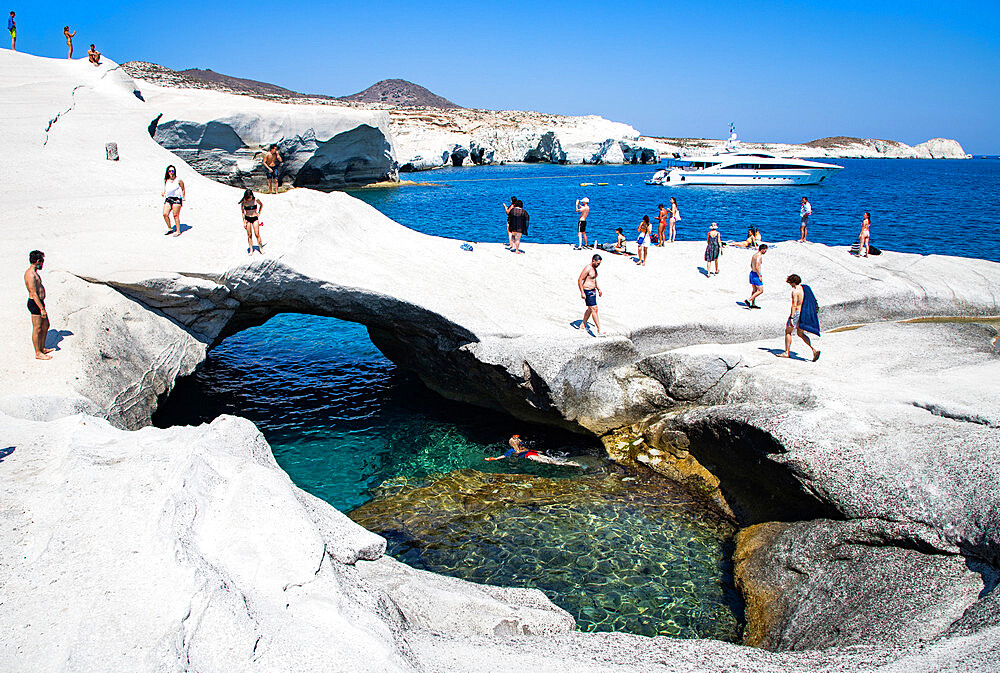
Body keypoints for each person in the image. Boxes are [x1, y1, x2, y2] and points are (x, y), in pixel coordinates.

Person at [780, 274, 821, 361]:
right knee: (800, 333)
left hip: (796, 314)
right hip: (803, 313)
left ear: (793, 282)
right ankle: (814, 349)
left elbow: (794, 305)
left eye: (790, 283)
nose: (790, 285)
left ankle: (786, 352)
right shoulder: (805, 288)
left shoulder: (795, 291)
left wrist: (791, 317)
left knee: (788, 331)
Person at [24, 250, 54, 360]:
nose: (43, 264)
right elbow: (33, 293)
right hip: (35, 304)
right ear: (38, 261)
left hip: (40, 303)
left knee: (46, 325)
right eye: (42, 261)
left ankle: (42, 347)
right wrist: (42, 309)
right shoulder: (30, 275)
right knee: (37, 328)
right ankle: (38, 352)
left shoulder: (35, 273)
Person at [485, 435, 584, 467]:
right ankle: (571, 462)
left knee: (552, 462)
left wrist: (492, 459)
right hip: (533, 453)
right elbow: (530, 450)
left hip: (530, 456)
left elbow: (502, 457)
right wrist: (539, 452)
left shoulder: (511, 451)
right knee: (550, 458)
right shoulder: (523, 447)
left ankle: (573, 464)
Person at [577, 254, 603, 335]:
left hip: (593, 290)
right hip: (587, 291)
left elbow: (594, 280)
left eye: (599, 263)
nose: (598, 265)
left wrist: (598, 289)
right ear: (593, 260)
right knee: (594, 309)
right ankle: (599, 329)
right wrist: (582, 292)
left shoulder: (594, 269)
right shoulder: (587, 268)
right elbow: (580, 280)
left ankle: (582, 325)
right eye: (598, 263)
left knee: (590, 309)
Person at [239, 189, 265, 255]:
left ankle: (260, 248)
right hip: (247, 218)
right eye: (248, 197)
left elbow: (261, 205)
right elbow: (243, 212)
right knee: (249, 235)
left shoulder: (256, 200)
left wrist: (259, 212)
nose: (249, 199)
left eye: (250, 197)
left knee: (257, 234)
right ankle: (251, 249)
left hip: (255, 218)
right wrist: (244, 222)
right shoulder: (244, 202)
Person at [161, 165, 185, 236]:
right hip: (168, 198)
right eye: (170, 171)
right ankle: (169, 228)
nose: (171, 172)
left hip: (177, 198)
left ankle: (178, 230)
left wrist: (183, 197)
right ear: (167, 172)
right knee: (165, 214)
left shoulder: (178, 180)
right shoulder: (166, 180)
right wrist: (164, 192)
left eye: (172, 171)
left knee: (175, 215)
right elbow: (166, 188)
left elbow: (183, 188)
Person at [745, 244, 767, 308]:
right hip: (756, 274)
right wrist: (759, 276)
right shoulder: (759, 256)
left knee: (754, 290)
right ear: (762, 249)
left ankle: (753, 304)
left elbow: (751, 265)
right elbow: (757, 267)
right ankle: (749, 300)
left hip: (752, 273)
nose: (765, 251)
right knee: (760, 290)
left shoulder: (754, 255)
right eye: (765, 250)